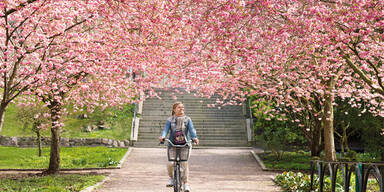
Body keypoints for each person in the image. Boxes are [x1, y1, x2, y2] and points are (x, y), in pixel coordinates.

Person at [159, 101, 199, 192]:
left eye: (183, 108)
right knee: (170, 163)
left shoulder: (188, 119)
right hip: (172, 144)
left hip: (185, 144)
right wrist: (163, 137)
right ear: (174, 109)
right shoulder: (170, 120)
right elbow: (165, 130)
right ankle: (171, 178)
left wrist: (194, 137)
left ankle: (185, 184)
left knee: (184, 163)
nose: (182, 109)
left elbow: (192, 130)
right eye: (179, 108)